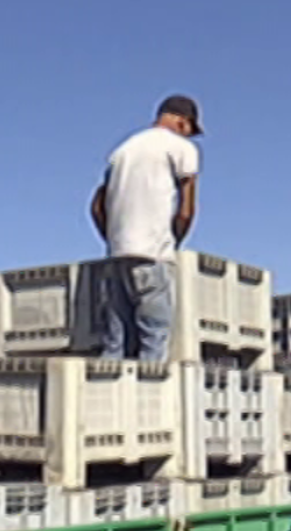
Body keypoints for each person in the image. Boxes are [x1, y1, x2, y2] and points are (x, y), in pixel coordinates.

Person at [88, 94, 203, 362]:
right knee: (153, 341)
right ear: (182, 121)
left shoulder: (123, 150)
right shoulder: (181, 148)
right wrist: (173, 243)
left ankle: (106, 402)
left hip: (117, 257)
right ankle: (148, 403)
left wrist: (114, 239)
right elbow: (186, 210)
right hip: (152, 255)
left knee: (116, 345)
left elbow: (96, 207)